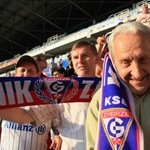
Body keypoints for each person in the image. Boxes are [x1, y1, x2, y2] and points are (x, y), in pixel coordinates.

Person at [86, 21, 150, 150]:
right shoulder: (100, 101)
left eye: (143, 59)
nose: (137, 74)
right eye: (126, 62)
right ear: (114, 64)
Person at [0, 55, 62, 150]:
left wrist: (58, 136)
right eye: (22, 70)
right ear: (15, 75)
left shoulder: (48, 101)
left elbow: (60, 129)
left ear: (37, 75)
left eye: (30, 71)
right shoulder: (5, 98)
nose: (26, 74)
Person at [57, 41, 99, 150]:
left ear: (96, 59)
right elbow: (48, 116)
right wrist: (57, 134)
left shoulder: (109, 86)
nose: (80, 61)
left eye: (85, 56)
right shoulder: (62, 89)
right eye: (75, 57)